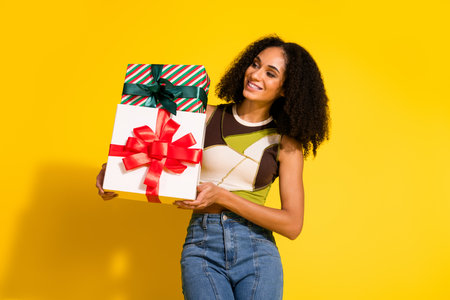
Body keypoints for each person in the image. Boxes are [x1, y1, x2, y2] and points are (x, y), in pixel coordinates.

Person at [96, 35, 330, 300]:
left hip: (257, 252)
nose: (255, 74)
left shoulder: (286, 144)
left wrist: (223, 196)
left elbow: (291, 224)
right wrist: (115, 173)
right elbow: (150, 147)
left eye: (270, 73)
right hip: (202, 247)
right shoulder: (203, 116)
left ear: (286, 89)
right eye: (255, 64)